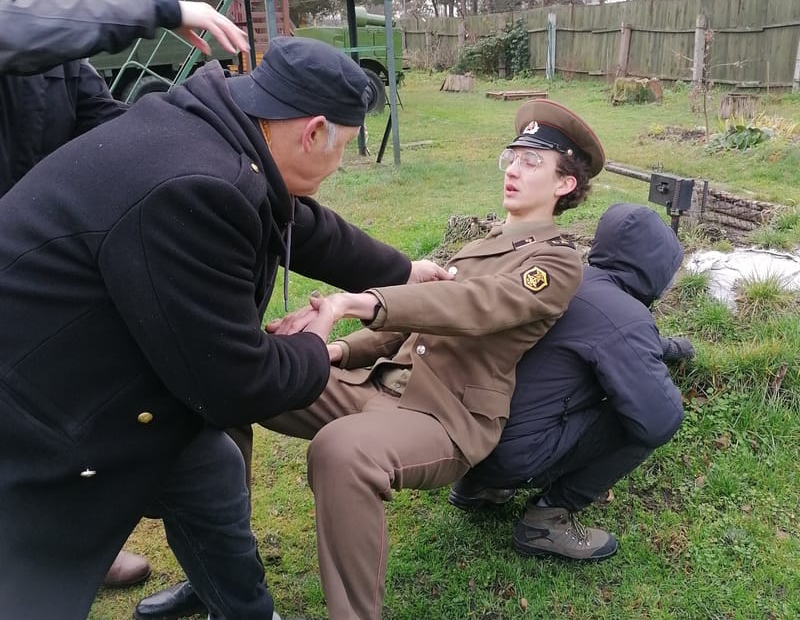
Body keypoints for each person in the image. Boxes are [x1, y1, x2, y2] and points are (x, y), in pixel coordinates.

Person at [0, 35, 450, 620]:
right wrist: (318, 344)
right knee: (37, 581)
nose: (336, 168)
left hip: (103, 368)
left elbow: (297, 222)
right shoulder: (200, 186)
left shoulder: (210, 124)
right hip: (45, 406)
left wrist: (401, 269)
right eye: (341, 148)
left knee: (209, 471)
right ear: (313, 132)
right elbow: (236, 382)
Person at [255, 98, 605, 620]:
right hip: (380, 386)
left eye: (532, 162)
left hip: (445, 416)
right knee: (243, 379)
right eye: (511, 156)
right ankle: (225, 570)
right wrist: (332, 350)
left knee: (342, 451)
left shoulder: (555, 261)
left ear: (565, 184)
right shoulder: (479, 247)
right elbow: (414, 325)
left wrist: (360, 301)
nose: (512, 168)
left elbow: (475, 306)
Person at [0, 0, 250, 590]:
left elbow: (108, 126)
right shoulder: (28, 21)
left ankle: (80, 530)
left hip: (32, 278)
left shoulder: (50, 32)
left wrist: (203, 140)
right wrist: (164, 10)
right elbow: (15, 31)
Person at [447, 203, 691, 561]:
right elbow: (659, 420)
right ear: (655, 268)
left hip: (465, 435)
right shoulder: (625, 316)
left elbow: (602, 332)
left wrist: (668, 348)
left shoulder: (566, 276)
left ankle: (478, 486)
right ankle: (547, 520)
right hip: (511, 455)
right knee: (641, 418)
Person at [0, 0, 250, 196]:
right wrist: (158, 11)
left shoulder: (58, 42)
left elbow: (103, 122)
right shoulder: (27, 26)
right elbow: (16, 29)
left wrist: (207, 142)